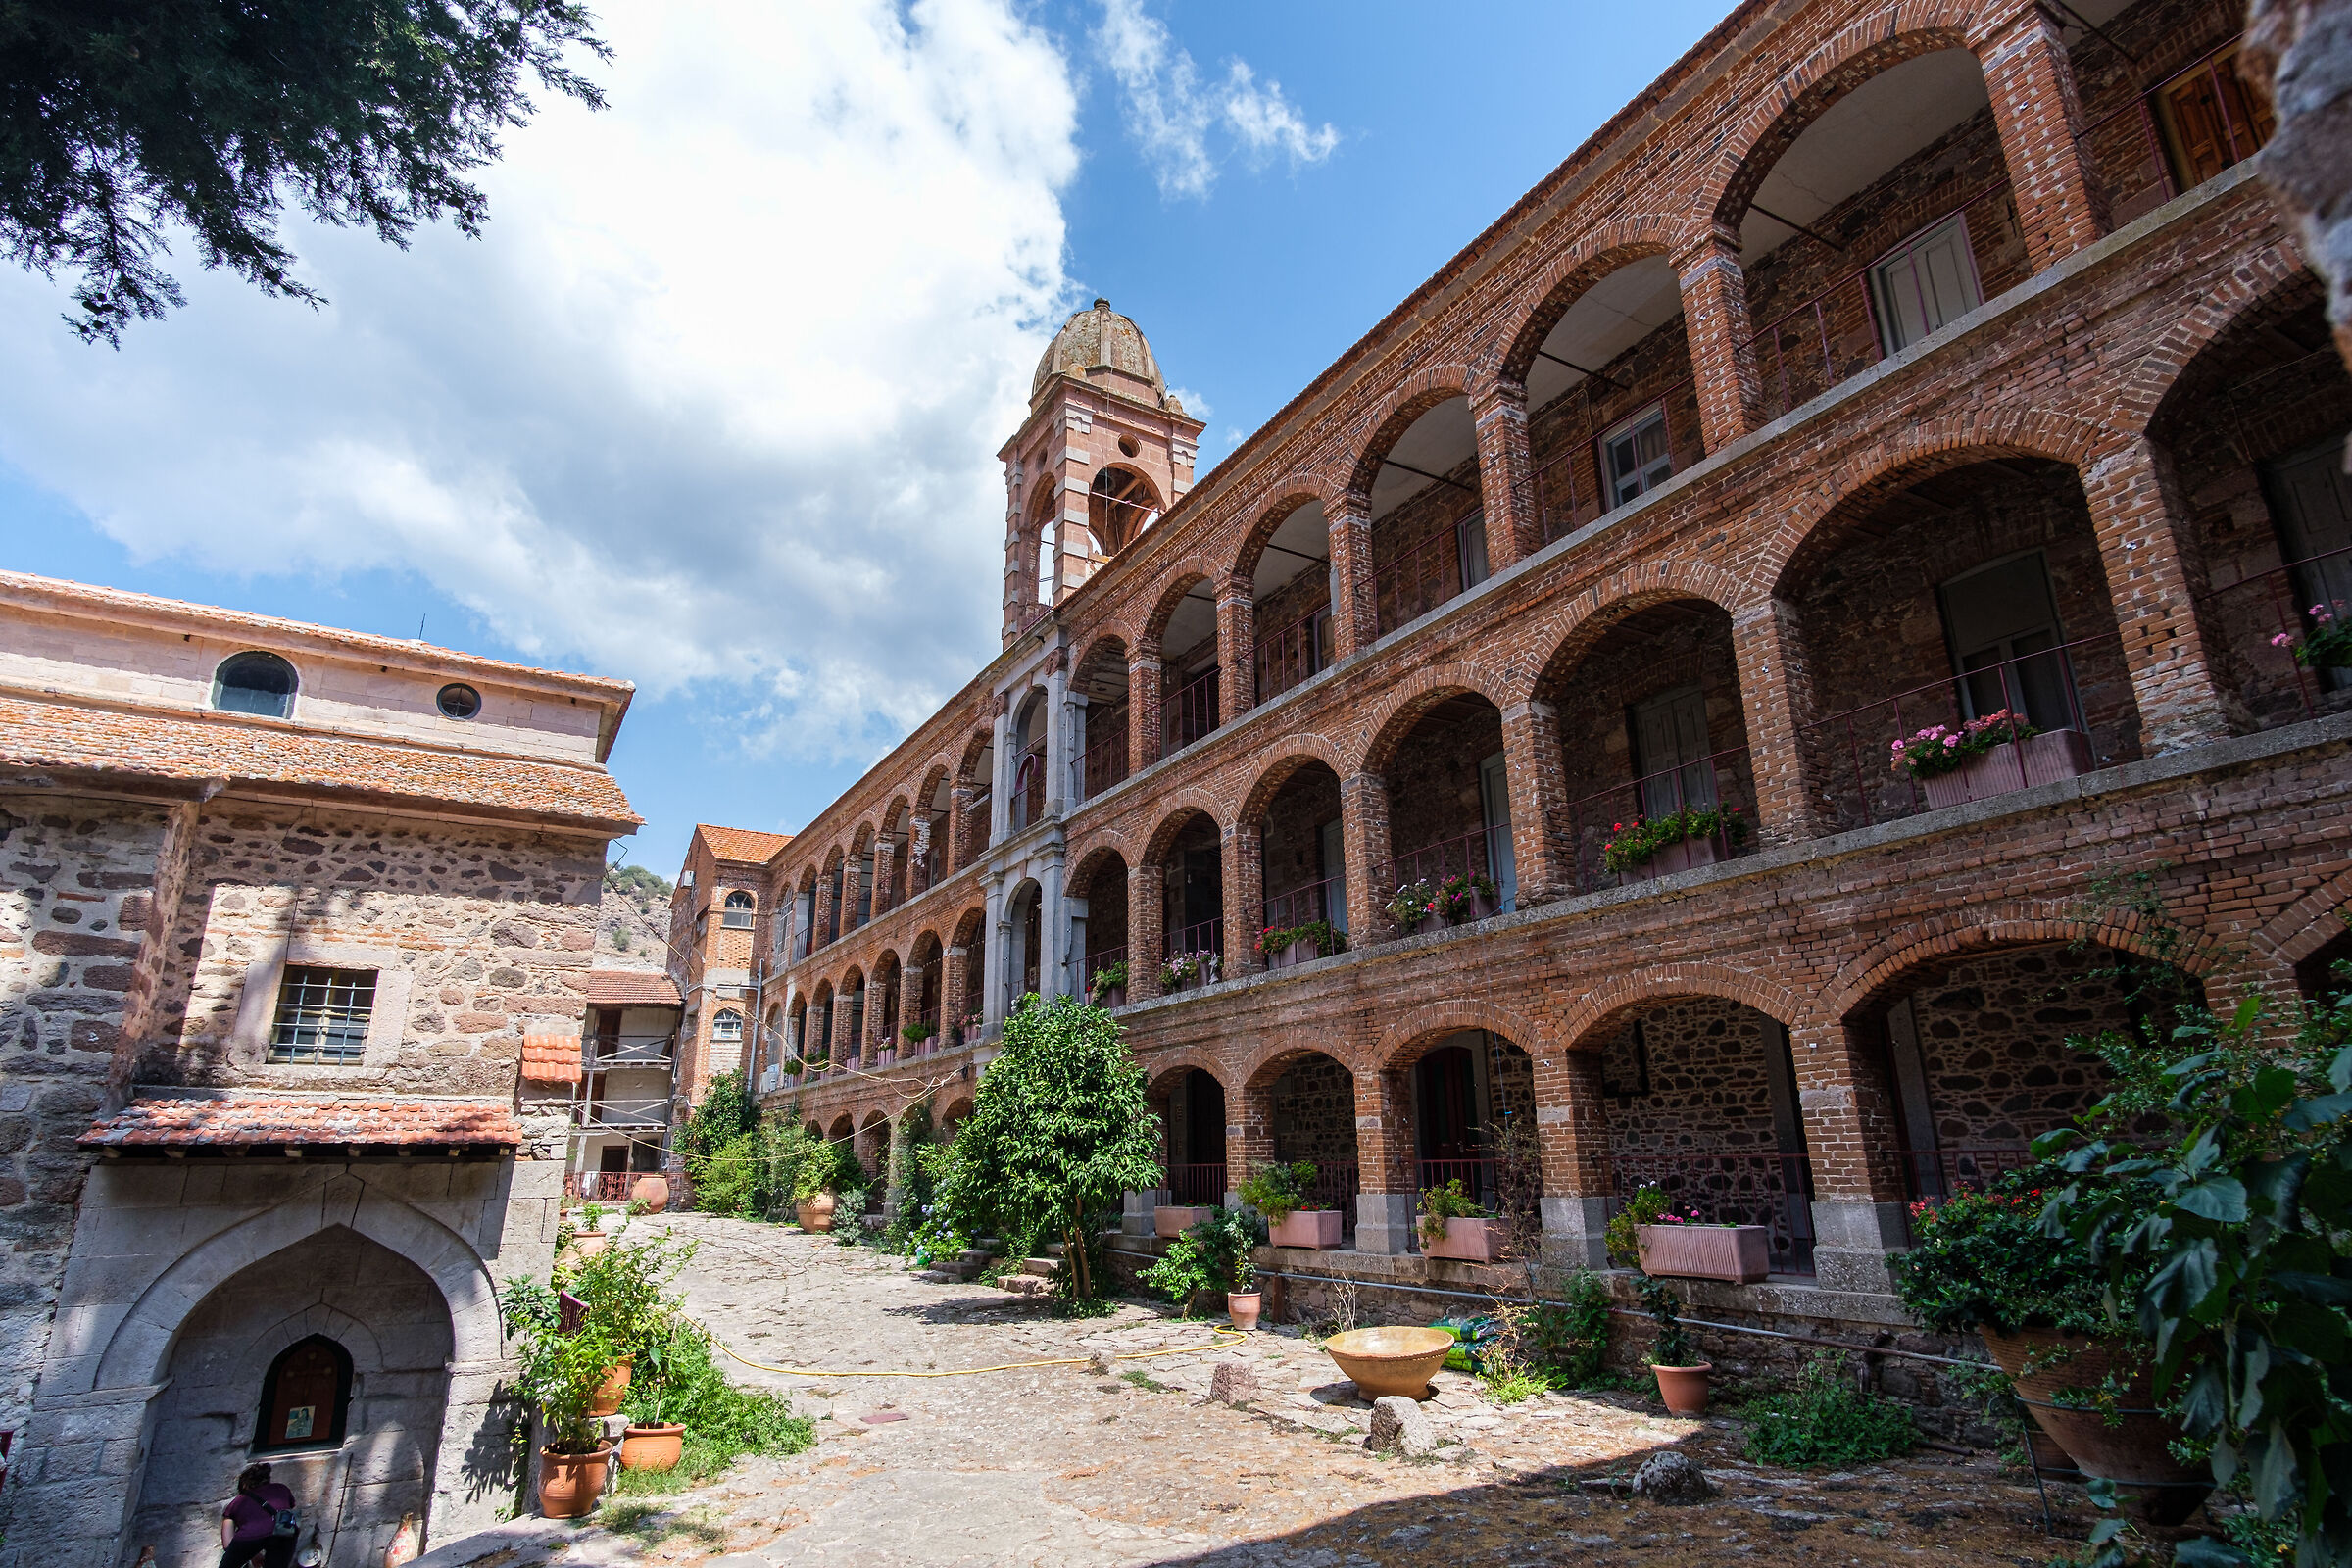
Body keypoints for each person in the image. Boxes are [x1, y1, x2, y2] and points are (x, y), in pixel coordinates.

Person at [220, 1463, 297, 1568]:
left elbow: (227, 1543)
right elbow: (290, 1511)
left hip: (252, 1534)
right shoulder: (282, 1489)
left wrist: (251, 1554)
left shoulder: (236, 1503)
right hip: (285, 1530)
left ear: (244, 1486)